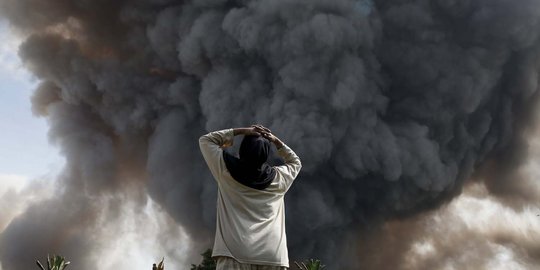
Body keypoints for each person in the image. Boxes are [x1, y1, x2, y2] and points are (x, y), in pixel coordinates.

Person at [199, 124, 302, 270]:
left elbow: (206, 140)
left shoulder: (225, 170)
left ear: (243, 150)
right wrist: (275, 141)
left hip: (234, 253)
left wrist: (242, 131)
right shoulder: (279, 179)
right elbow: (295, 162)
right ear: (265, 154)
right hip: (272, 255)